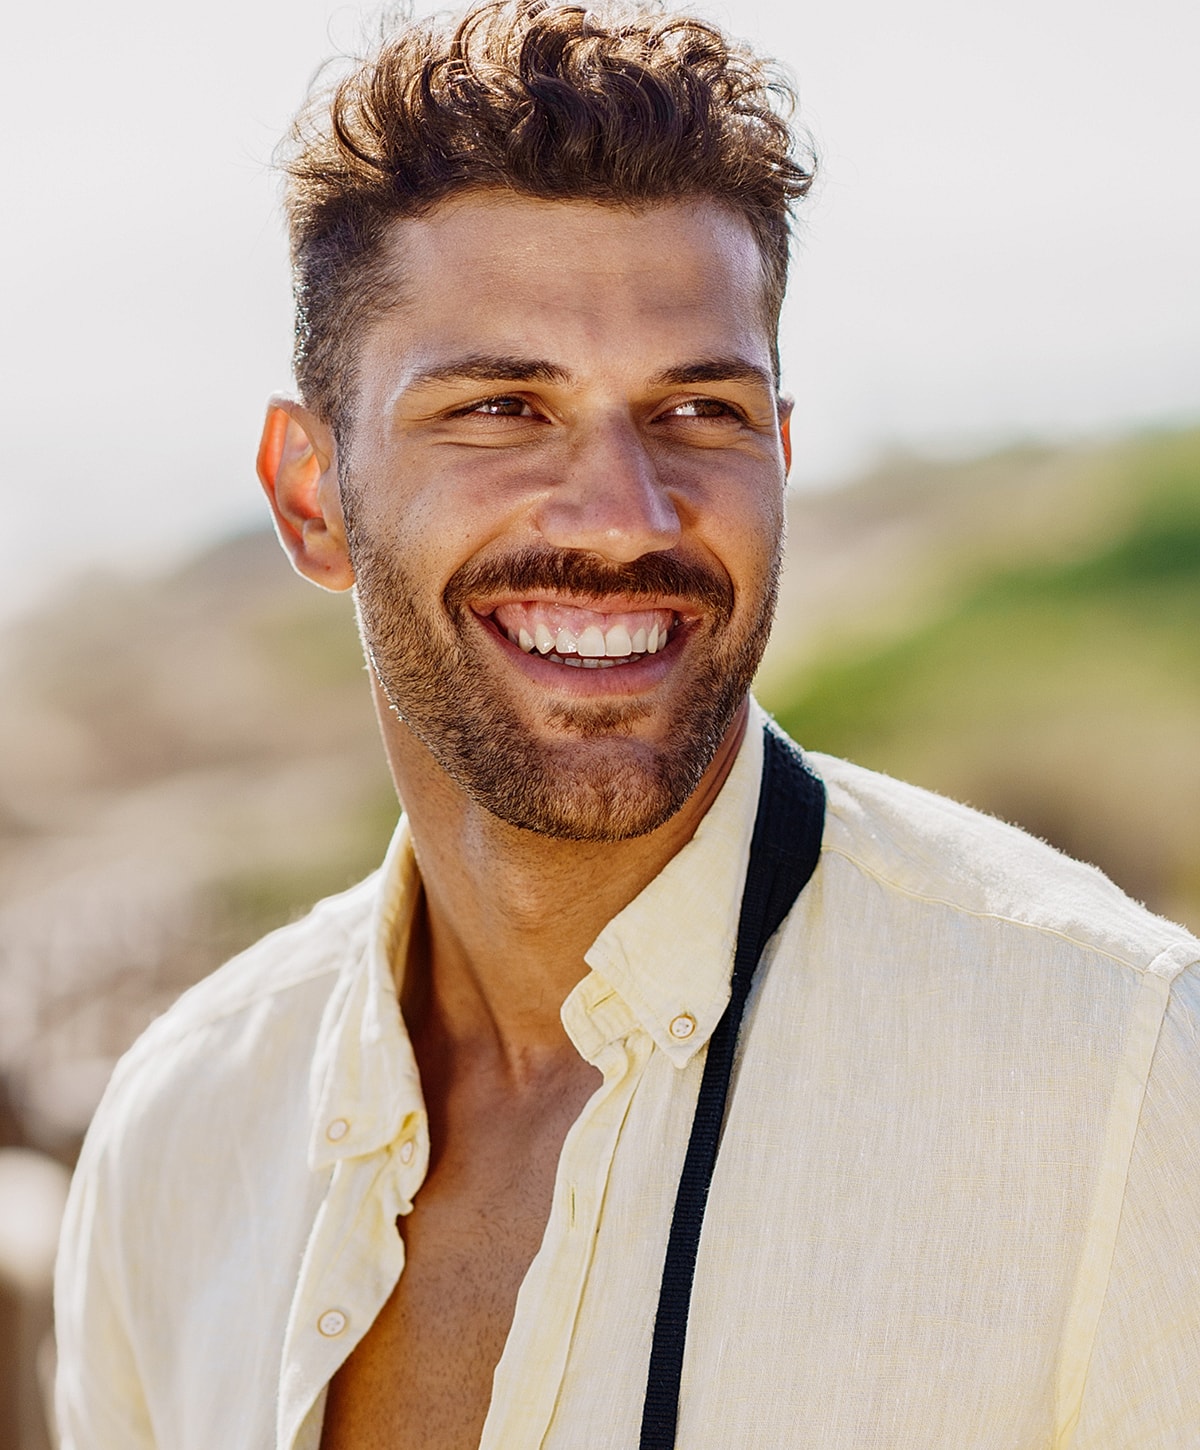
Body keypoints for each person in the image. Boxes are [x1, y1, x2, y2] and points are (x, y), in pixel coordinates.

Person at [54, 1, 1200, 1446]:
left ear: (780, 453)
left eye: (698, 412)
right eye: (501, 408)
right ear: (309, 493)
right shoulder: (178, 1140)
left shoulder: (1120, 1079)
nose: (621, 517)